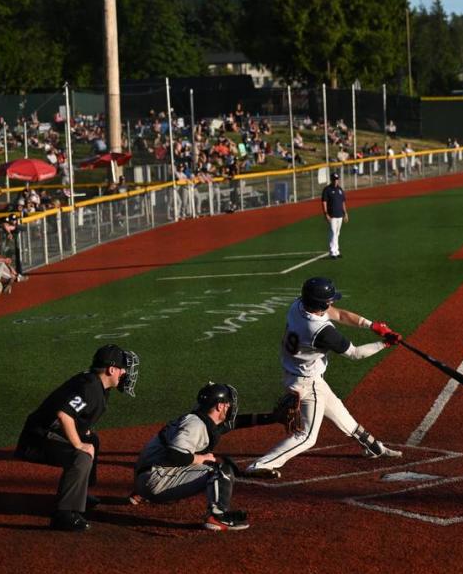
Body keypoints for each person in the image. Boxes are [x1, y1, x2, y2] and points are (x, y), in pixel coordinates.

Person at [244, 277, 403, 479]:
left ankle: (373, 447)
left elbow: (339, 314)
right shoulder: (321, 331)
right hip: (306, 382)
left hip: (296, 373)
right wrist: (385, 344)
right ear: (320, 304)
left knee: (340, 412)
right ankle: (261, 465)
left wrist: (372, 326)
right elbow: (355, 354)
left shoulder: (298, 305)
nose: (332, 303)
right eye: (328, 300)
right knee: (307, 437)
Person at [131, 383, 296, 531]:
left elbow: (237, 422)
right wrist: (201, 459)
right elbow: (176, 455)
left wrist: (271, 418)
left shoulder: (203, 420)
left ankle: (140, 494)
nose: (230, 407)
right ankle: (217, 517)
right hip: (154, 480)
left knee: (213, 462)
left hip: (147, 477)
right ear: (219, 407)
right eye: (228, 404)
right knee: (220, 470)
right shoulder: (195, 424)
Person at [14, 344, 140, 531]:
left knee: (92, 441)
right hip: (36, 440)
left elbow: (74, 413)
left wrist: (83, 434)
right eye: (123, 369)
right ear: (111, 369)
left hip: (49, 432)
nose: (125, 374)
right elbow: (64, 414)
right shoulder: (90, 387)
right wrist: (78, 443)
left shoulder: (99, 385)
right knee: (81, 456)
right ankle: (64, 514)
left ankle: (80, 494)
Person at [321, 172, 348, 259]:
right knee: (333, 232)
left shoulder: (340, 189)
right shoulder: (327, 189)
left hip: (340, 214)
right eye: (334, 179)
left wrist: (345, 213)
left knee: (337, 233)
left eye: (337, 179)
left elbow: (343, 202)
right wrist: (326, 213)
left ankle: (336, 250)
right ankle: (333, 252)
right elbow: (324, 202)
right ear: (331, 180)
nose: (336, 181)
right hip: (332, 215)